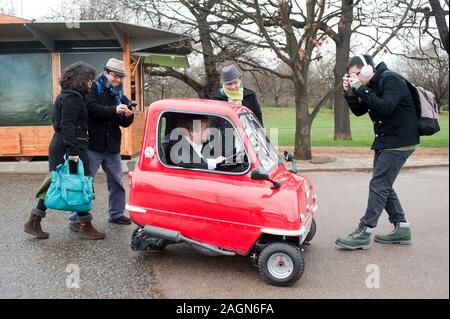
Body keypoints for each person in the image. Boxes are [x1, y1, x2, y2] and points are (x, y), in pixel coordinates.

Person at [335, 54, 420, 250]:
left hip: (400, 140)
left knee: (379, 184)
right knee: (383, 185)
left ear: (368, 69)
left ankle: (364, 231)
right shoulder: (371, 84)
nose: (354, 78)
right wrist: (349, 92)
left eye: (356, 74)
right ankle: (402, 228)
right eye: (351, 76)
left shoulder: (391, 79)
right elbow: (360, 110)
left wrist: (360, 87)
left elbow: (386, 106)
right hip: (386, 140)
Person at [24, 62, 105, 240]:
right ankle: (85, 226)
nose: (91, 84)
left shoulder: (69, 96)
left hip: (67, 145)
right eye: (89, 80)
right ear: (80, 80)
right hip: (69, 147)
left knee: (63, 183)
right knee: (80, 183)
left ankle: (34, 221)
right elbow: (67, 126)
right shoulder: (72, 99)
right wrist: (73, 152)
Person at [69, 58, 134, 231]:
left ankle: (116, 214)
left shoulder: (120, 95)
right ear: (105, 72)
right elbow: (92, 109)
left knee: (117, 182)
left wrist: (128, 115)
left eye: (121, 77)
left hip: (112, 145)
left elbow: (124, 123)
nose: (118, 80)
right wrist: (114, 110)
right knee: (85, 183)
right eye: (116, 75)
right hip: (92, 145)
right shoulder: (93, 88)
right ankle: (76, 220)